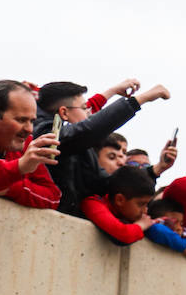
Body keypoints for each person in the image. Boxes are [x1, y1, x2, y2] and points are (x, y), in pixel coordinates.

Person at [35, 79, 170, 213]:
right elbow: (89, 129)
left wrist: (155, 170)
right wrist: (140, 100)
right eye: (84, 108)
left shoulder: (82, 151)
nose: (89, 112)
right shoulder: (43, 135)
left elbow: (108, 182)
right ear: (64, 113)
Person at [0, 79, 61, 209]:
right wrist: (19, 167)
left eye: (32, 121)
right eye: (21, 120)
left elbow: (52, 197)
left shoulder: (25, 144)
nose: (29, 129)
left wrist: (9, 187)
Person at [80, 165, 156, 244]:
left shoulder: (125, 212)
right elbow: (123, 234)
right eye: (141, 204)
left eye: (147, 205)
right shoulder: (93, 204)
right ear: (120, 200)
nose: (145, 210)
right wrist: (141, 225)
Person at [143, 198, 186, 263]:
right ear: (158, 220)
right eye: (174, 222)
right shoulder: (151, 228)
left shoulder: (182, 240)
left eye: (181, 224)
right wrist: (184, 247)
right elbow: (158, 229)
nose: (179, 228)